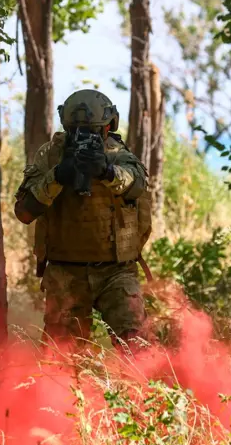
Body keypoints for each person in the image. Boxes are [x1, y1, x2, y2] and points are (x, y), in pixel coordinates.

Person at [13, 89, 152, 348]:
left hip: (116, 271)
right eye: (77, 131)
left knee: (137, 347)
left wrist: (106, 172)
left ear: (108, 127)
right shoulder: (51, 155)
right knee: (61, 358)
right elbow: (24, 211)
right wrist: (57, 177)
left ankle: (143, 391)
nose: (84, 138)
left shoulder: (117, 154)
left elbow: (137, 186)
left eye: (93, 130)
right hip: (65, 271)